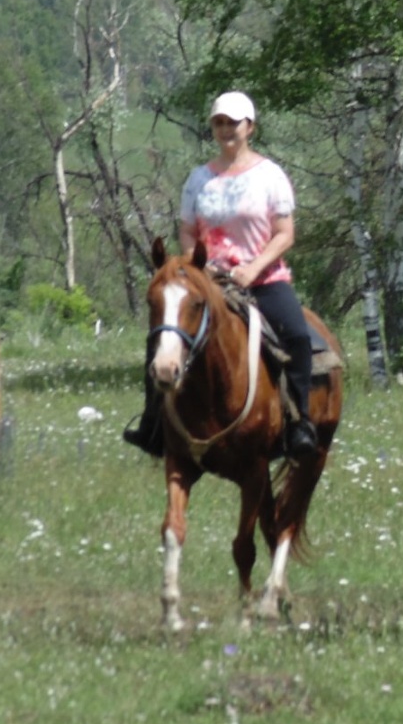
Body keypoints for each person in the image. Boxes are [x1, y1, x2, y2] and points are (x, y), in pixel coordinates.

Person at [123, 90, 320, 461]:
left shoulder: (270, 176)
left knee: (296, 334)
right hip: (209, 282)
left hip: (263, 279)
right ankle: (153, 424)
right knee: (162, 336)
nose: (226, 129)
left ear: (250, 127)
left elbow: (285, 234)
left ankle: (299, 423)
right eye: (219, 122)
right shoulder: (199, 179)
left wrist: (253, 268)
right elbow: (187, 231)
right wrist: (199, 265)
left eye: (233, 122)